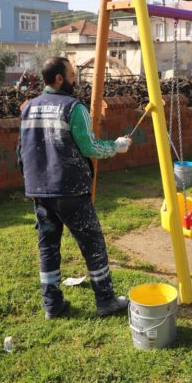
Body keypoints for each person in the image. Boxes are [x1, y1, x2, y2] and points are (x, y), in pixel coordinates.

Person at [18, 56, 133, 319]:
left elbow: (21, 150)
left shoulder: (28, 108)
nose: (74, 79)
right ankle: (105, 300)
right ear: (59, 79)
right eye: (71, 75)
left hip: (40, 190)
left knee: (48, 247)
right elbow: (89, 147)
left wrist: (31, 182)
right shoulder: (73, 108)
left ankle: (52, 305)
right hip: (70, 190)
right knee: (93, 243)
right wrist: (117, 146)